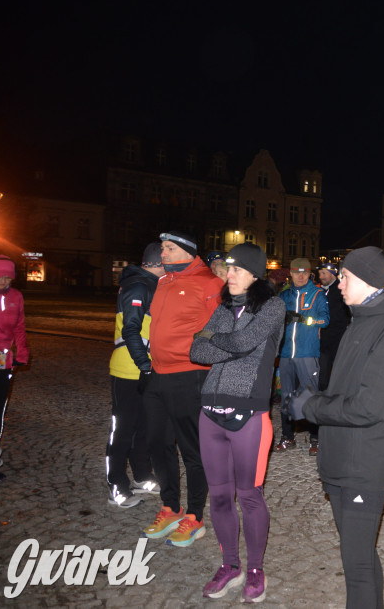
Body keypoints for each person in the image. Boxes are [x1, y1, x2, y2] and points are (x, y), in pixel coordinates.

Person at [292, 246, 384, 609]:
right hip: (341, 458)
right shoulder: (360, 319)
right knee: (359, 556)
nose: (337, 282)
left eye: (344, 276)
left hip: (365, 463)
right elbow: (347, 389)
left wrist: (311, 407)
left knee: (357, 564)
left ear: (364, 279)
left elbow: (369, 406)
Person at [191, 243, 285, 603]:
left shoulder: (273, 307)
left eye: (235, 269)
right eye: (226, 268)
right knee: (219, 497)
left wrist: (214, 339)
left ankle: (256, 569)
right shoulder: (223, 308)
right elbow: (195, 351)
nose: (226, 274)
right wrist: (218, 341)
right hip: (209, 412)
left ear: (255, 274)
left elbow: (246, 341)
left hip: (249, 414)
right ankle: (230, 565)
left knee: (249, 496)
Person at [141, 231, 223, 546]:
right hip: (158, 374)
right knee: (157, 443)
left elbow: (218, 332)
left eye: (170, 248)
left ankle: (195, 516)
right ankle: (170, 506)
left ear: (188, 252)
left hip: (189, 375)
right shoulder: (163, 282)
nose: (163, 252)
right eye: (161, 247)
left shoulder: (208, 283)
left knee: (192, 449)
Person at [106, 242, 164, 507]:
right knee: (123, 429)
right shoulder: (138, 286)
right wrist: (145, 364)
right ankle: (117, 483)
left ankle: (141, 474)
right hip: (129, 369)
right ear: (158, 261)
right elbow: (131, 329)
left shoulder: (151, 284)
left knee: (144, 426)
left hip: (145, 368)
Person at [276, 258, 329, 455]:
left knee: (310, 396)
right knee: (286, 398)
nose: (300, 276)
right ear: (290, 273)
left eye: (304, 273)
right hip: (286, 354)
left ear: (309, 274)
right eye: (296, 272)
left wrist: (304, 319)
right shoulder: (284, 295)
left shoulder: (317, 294)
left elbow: (325, 320)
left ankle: (315, 439)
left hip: (307, 353)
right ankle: (287, 437)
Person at [0, 255, 28, 483]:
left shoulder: (16, 296)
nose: (4, 280)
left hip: (0, 358)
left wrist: (22, 353)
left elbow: (19, 326)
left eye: (8, 276)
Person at [317, 261, 351, 393]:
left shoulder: (341, 290)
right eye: (320, 273)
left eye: (324, 273)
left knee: (338, 368)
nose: (321, 276)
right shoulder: (319, 290)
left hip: (337, 337)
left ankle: (338, 393)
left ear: (332, 275)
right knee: (322, 368)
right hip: (322, 338)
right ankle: (323, 393)